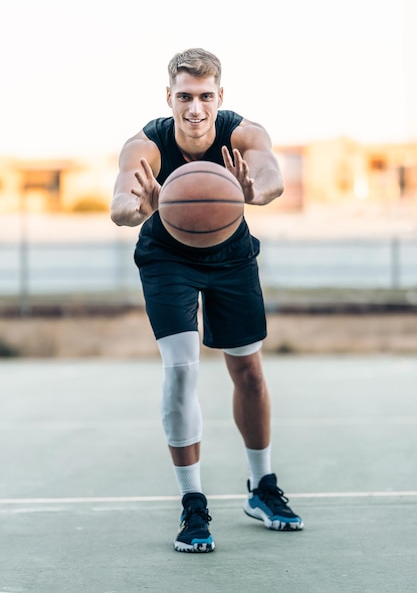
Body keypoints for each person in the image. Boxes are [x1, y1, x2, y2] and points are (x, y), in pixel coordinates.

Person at [110, 48, 303, 553]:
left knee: (249, 371)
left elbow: (273, 180)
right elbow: (119, 207)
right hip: (167, 258)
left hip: (231, 253)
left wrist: (251, 193)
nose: (195, 108)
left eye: (205, 96)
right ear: (168, 96)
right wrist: (140, 206)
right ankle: (192, 503)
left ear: (221, 95)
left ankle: (261, 487)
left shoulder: (243, 134)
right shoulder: (147, 144)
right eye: (184, 96)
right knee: (182, 369)